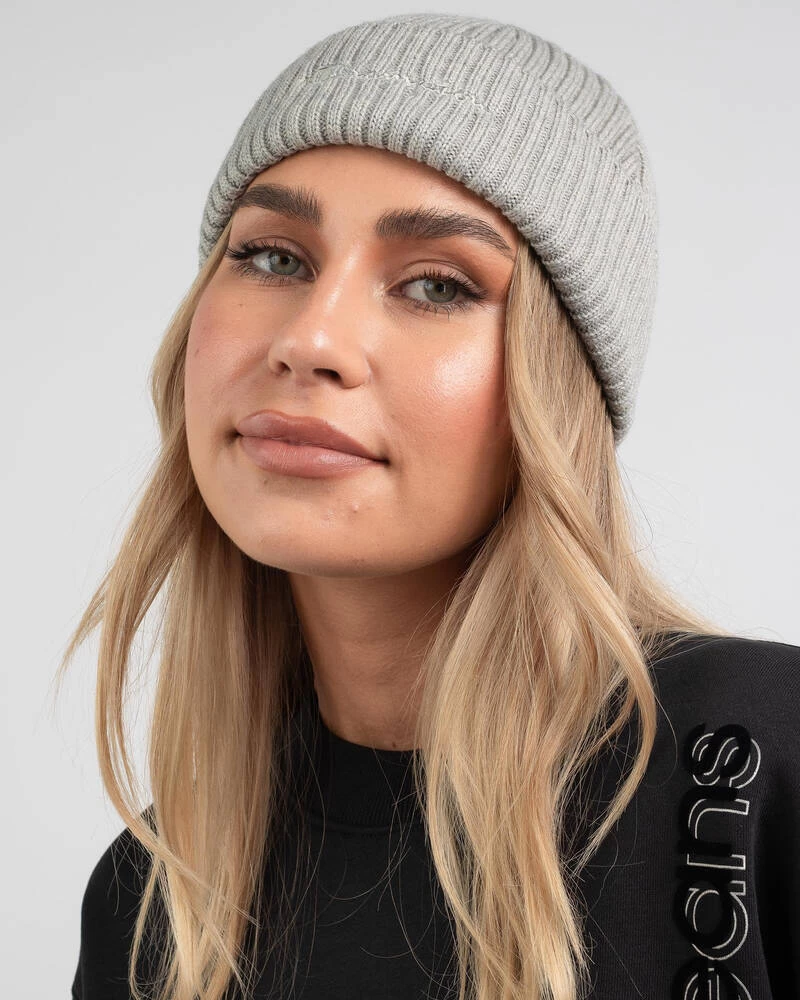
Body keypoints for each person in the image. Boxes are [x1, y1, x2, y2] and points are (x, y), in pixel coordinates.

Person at [60, 12, 799, 1000]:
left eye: (437, 285)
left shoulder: (752, 757)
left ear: (554, 389)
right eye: (272, 257)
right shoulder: (154, 900)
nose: (311, 339)